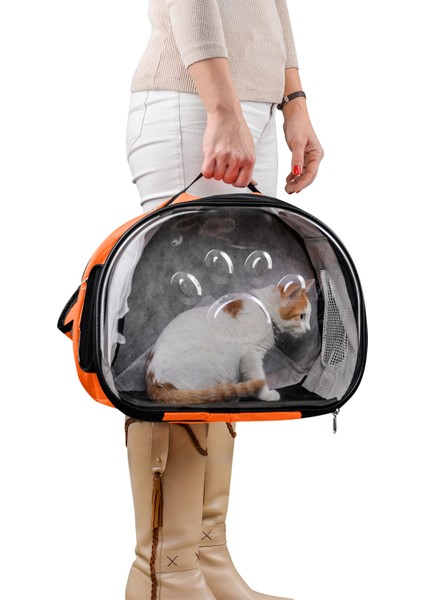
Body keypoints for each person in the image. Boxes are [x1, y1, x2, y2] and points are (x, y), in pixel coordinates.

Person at [124, 2, 324, 600]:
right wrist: (223, 108)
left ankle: (206, 560)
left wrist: (294, 101)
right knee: (180, 339)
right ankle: (164, 574)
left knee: (226, 337)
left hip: (254, 105)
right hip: (196, 97)